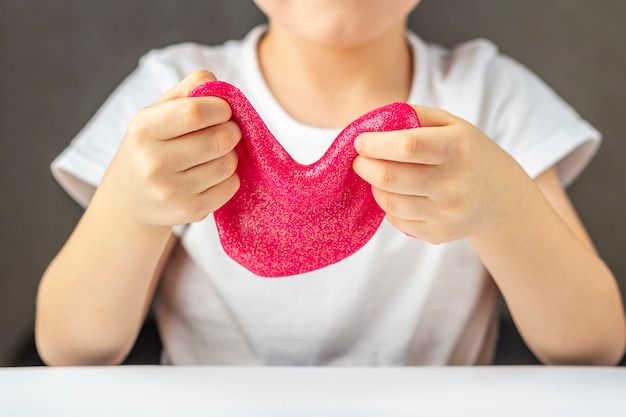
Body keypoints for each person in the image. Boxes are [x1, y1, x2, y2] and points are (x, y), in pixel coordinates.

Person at [36, 0, 625, 366]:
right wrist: (132, 208)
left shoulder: (490, 96)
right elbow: (70, 349)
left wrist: (505, 209)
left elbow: (594, 347)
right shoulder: (169, 97)